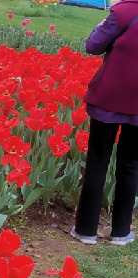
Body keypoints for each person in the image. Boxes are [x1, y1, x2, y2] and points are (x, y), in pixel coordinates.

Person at [72, 0, 138, 246]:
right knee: (131, 165)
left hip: (109, 98)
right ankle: (121, 232)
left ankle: (86, 230)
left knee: (98, 160)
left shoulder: (122, 12)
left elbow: (92, 46)